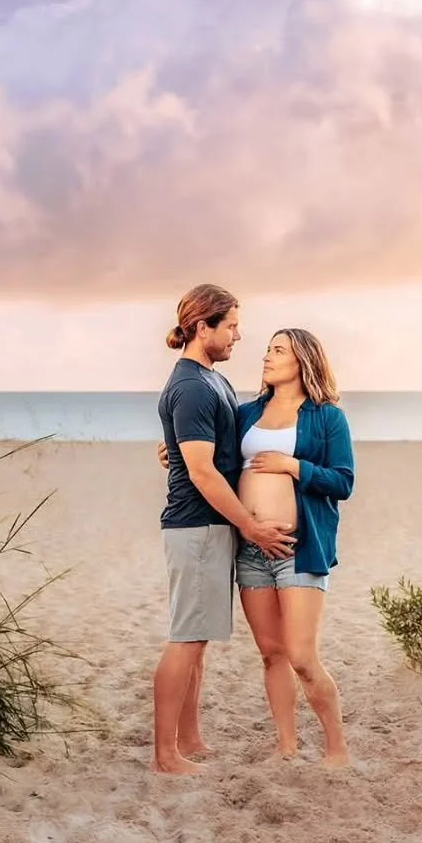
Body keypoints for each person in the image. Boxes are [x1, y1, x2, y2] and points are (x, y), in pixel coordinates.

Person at [159, 327, 356, 767]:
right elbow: (207, 454)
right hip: (251, 552)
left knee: (302, 657)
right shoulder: (246, 413)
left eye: (278, 350)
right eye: (268, 349)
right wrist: (172, 452)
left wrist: (293, 465)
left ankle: (336, 748)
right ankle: (286, 746)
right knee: (272, 655)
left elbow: (343, 481)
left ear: (303, 360)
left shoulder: (327, 417)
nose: (267, 356)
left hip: (298, 549)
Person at [154, 284, 295, 776]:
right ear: (202, 327)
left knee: (199, 640)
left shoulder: (212, 381)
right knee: (186, 638)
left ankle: (189, 740)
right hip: (196, 525)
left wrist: (171, 449)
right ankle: (165, 755)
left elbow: (208, 448)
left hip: (211, 527)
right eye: (231, 326)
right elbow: (203, 472)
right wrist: (252, 527)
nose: (238, 335)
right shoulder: (192, 385)